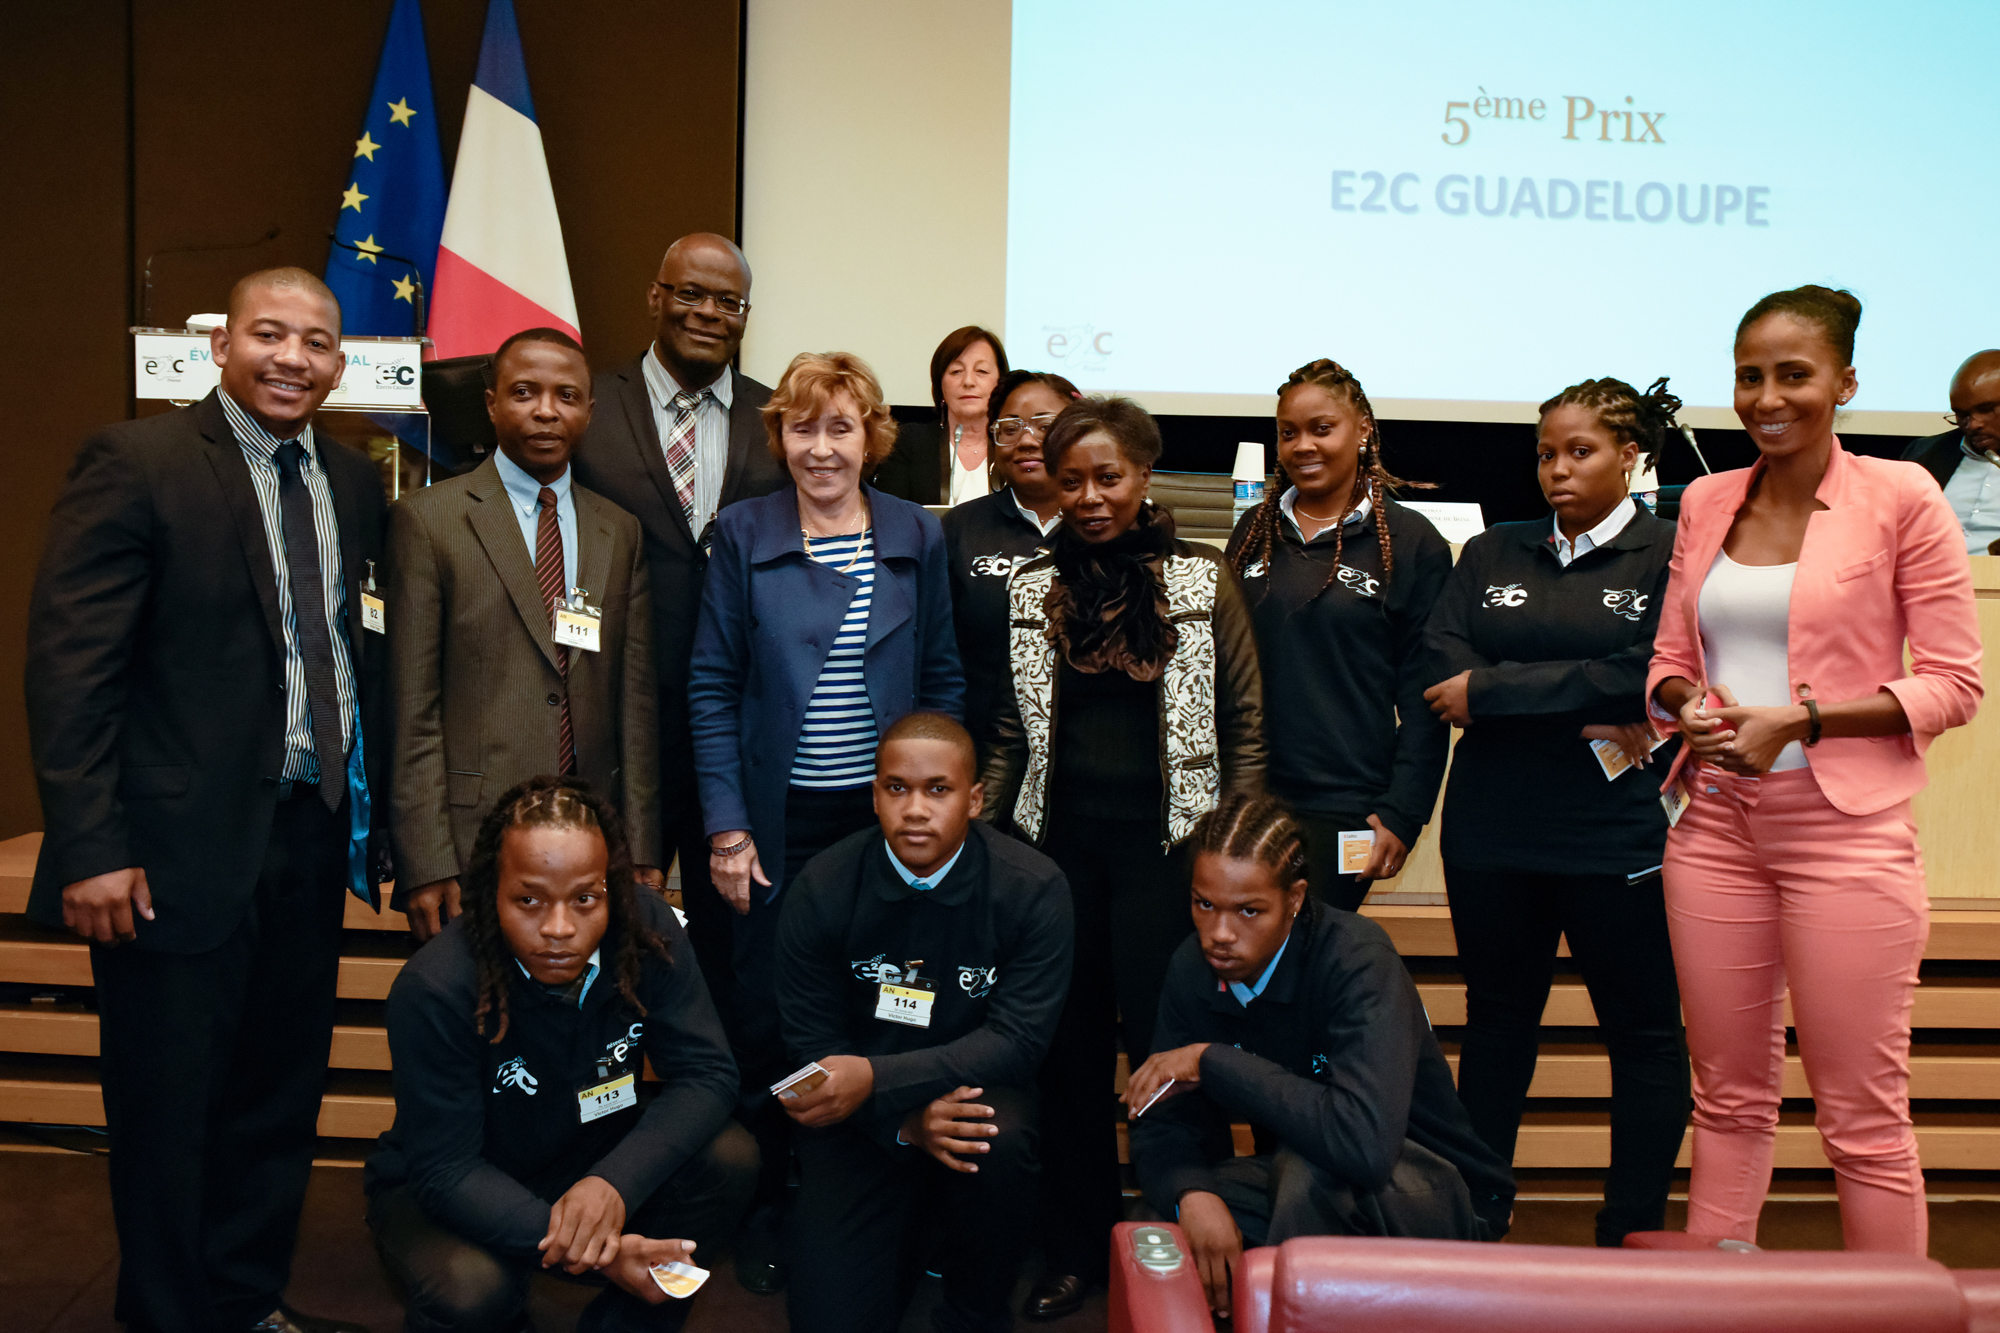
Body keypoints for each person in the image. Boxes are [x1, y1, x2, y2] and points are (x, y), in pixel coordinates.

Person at [26, 267, 387, 1333]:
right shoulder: (137, 463)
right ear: (220, 344)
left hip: (307, 837)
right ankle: (167, 1316)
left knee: (276, 1100)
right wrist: (91, 844)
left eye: (317, 342)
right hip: (169, 854)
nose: (293, 358)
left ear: (338, 361)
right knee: (168, 1110)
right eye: (270, 335)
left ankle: (243, 1300)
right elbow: (71, 670)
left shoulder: (357, 482)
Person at [1649, 286, 1983, 1253]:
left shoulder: (1902, 496)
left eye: (1793, 374)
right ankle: (1720, 1308)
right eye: (1749, 375)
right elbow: (1668, 665)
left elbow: (1955, 685)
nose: (1767, 396)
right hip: (1711, 826)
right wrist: (1690, 711)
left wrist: (1802, 720)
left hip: (1845, 833)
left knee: (1862, 1117)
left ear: (1844, 380)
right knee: (1726, 1099)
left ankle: (1893, 1319)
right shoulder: (1709, 499)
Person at [978, 395, 1264, 1320]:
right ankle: (1080, 1249)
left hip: (1169, 857)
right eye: (1072, 481)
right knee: (1065, 1063)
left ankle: (1182, 1240)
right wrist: (986, 830)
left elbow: (1245, 724)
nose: (1091, 497)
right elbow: (1007, 732)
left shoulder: (1199, 577)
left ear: (1144, 477)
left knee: (1168, 1058)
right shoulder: (1029, 586)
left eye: (1108, 477)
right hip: (1053, 858)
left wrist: (1238, 847)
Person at [688, 351, 965, 1292]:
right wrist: (728, 829)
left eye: (839, 427)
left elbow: (942, 683)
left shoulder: (916, 536)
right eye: (802, 427)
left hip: (886, 825)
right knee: (772, 1016)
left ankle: (891, 1203)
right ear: (781, 439)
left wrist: (934, 808)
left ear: (872, 438)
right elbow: (712, 687)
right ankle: (780, 1199)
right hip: (776, 820)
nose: (820, 447)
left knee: (887, 1009)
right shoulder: (740, 532)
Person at [1421, 375, 1690, 1247]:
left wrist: (1494, 692)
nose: (1558, 470)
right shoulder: (1493, 551)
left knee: (1643, 1035)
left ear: (1630, 455)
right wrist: (1568, 694)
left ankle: (1630, 1231)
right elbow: (1441, 667)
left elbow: (1642, 671)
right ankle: (1478, 1209)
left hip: (1614, 833)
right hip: (1493, 830)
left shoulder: (1668, 553)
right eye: (1546, 453)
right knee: (1498, 1025)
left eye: (1581, 451)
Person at [366, 777, 755, 1333]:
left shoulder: (646, 932)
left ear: (612, 892)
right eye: (528, 900)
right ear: (490, 891)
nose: (558, 929)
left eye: (585, 900)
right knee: (474, 1292)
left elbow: (709, 1073)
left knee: (731, 1157)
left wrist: (614, 1182)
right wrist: (596, 1250)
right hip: (456, 1185)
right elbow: (446, 1170)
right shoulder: (434, 989)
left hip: (588, 1158)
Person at [1125, 792, 1513, 1317]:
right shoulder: (1192, 970)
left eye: (1249, 911)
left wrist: (1213, 1061)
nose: (1219, 933)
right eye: (1204, 904)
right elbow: (1157, 1118)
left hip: (1435, 1190)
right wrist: (1190, 1194)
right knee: (1167, 1222)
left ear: (1295, 898)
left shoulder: (1357, 959)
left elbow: (1363, 1145)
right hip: (1306, 1178)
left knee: (1309, 1179)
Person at [774, 713, 1073, 1333]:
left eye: (938, 789)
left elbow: (1017, 1043)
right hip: (857, 1125)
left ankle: (973, 1308)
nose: (915, 809)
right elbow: (812, 1048)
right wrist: (903, 1122)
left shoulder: (1035, 888)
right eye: (896, 788)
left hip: (972, 1104)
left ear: (975, 797)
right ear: (874, 793)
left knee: (1000, 1133)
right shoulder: (822, 885)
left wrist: (881, 1078)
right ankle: (913, 1228)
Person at [571, 233, 788, 1015]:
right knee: (601, 919)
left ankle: (722, 1107)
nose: (708, 312)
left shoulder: (780, 418)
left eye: (727, 302)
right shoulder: (589, 405)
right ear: (656, 296)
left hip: (737, 719)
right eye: (690, 293)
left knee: (737, 931)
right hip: (613, 713)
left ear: (745, 315)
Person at [390, 327, 663, 939]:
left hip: (592, 844)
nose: (546, 410)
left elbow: (636, 705)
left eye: (566, 395)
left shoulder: (619, 532)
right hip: (471, 843)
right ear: (491, 403)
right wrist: (427, 859)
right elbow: (413, 709)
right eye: (524, 392)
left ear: (588, 411)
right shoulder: (428, 520)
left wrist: (642, 847)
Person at [1225, 359, 1452, 909]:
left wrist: (1401, 812)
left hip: (1346, 803)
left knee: (1315, 962)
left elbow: (1426, 697)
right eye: (1288, 433)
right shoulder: (1252, 532)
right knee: (1242, 962)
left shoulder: (1411, 542)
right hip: (1247, 794)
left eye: (1321, 429)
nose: (1303, 445)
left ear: (1363, 430)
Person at [941, 369, 1079, 757]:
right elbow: (937, 656)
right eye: (1010, 427)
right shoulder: (961, 528)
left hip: (1081, 751)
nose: (1027, 440)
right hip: (979, 749)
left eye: (1045, 425)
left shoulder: (1101, 525)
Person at [872, 326, 1008, 505]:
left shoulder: (1012, 445)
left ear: (1000, 382)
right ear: (940, 384)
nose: (968, 381)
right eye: (956, 371)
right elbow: (891, 515)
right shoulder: (909, 442)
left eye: (981, 371)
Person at [1901, 349, 2000, 553]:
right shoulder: (1923, 455)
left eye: (1985, 409)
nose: (1973, 424)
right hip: (1927, 579)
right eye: (1962, 415)